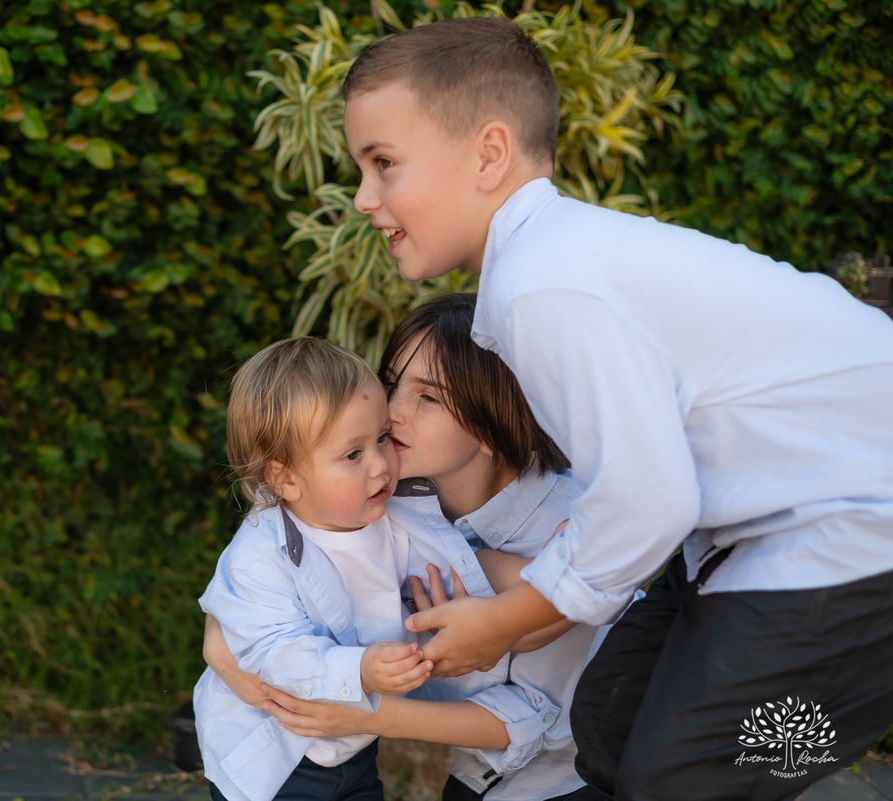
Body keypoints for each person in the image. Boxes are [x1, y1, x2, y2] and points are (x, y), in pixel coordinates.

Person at [340, 14, 893, 800]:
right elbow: (636, 500)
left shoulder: (545, 283)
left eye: (384, 163)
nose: (365, 197)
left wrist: (499, 623)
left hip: (854, 533)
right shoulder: (552, 264)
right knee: (610, 720)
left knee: (679, 780)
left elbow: (646, 503)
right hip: (753, 537)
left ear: (489, 154)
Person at [205, 294, 614, 801]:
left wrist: (569, 564)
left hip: (566, 781)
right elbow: (278, 537)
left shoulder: (578, 521)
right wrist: (220, 634)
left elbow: (527, 653)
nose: (392, 413)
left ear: (492, 423)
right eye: (392, 382)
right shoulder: (380, 495)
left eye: (429, 398)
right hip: (275, 760)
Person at [196, 336, 441, 801]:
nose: (380, 465)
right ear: (285, 478)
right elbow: (274, 653)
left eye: (382, 438)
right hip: (276, 758)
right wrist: (360, 669)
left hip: (352, 745)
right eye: (353, 455)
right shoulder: (260, 556)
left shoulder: (394, 517)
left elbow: (450, 567)